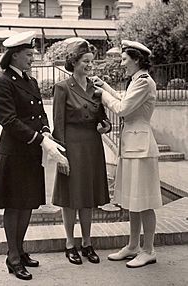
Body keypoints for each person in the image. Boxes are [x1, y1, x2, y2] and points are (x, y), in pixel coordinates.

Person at [0, 31, 69, 280]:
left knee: (26, 204)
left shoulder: (30, 81)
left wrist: (45, 130)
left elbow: (40, 113)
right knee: (14, 205)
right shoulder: (2, 82)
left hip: (32, 150)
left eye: (32, 54)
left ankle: (20, 250)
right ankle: (12, 257)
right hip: (15, 152)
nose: (32, 59)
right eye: (28, 55)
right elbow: (9, 120)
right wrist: (40, 139)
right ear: (14, 56)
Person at [93, 40, 162, 268]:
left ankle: (148, 249)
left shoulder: (144, 83)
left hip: (141, 149)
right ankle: (133, 246)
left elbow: (122, 109)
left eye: (124, 59)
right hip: (133, 146)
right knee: (134, 201)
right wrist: (106, 86)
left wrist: (102, 93)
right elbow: (124, 100)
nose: (122, 63)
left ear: (137, 59)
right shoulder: (136, 81)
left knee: (145, 201)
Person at [52, 39, 111, 265]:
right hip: (72, 146)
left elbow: (102, 119)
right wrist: (60, 154)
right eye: (85, 61)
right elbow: (58, 122)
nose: (89, 65)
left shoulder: (95, 90)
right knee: (70, 198)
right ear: (74, 62)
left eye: (91, 62)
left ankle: (87, 243)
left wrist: (106, 126)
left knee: (88, 197)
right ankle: (70, 244)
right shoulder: (62, 87)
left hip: (92, 146)